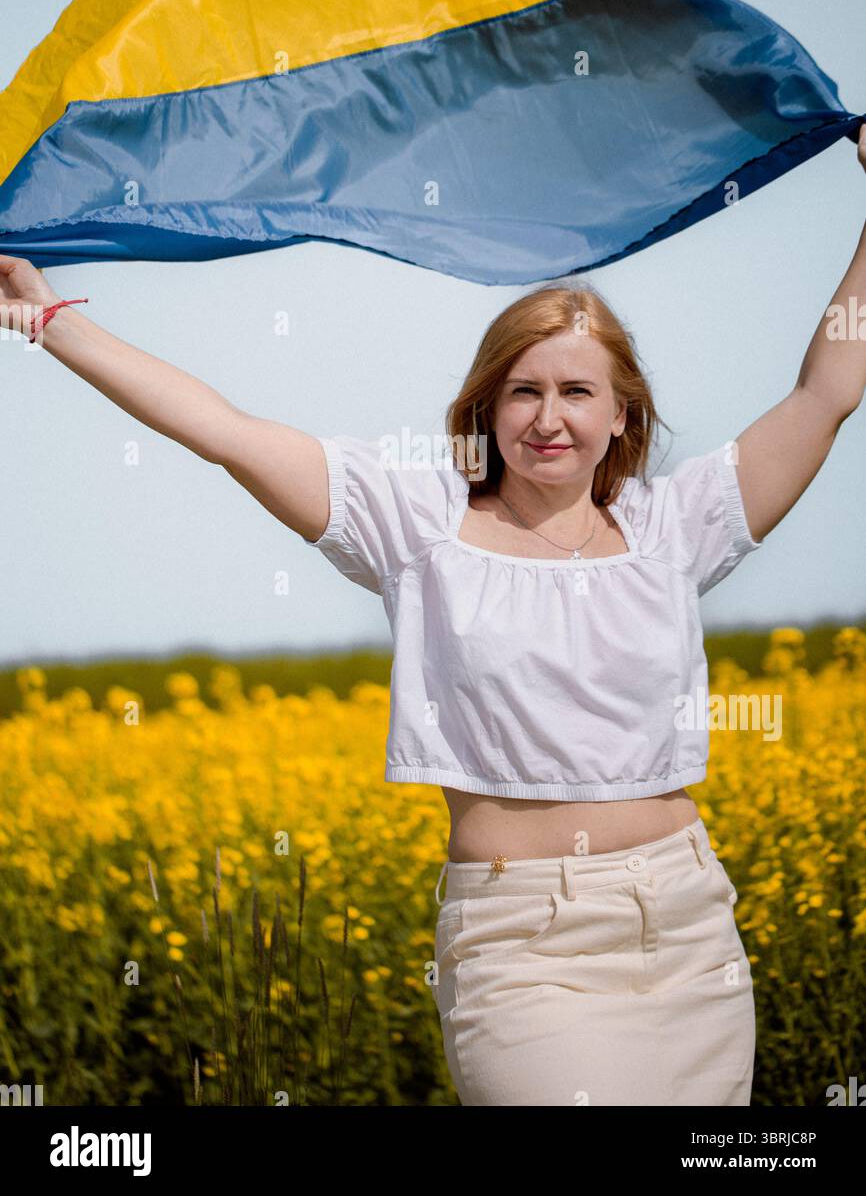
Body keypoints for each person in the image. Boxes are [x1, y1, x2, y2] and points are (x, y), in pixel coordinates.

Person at [1, 132, 864, 1104]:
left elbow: (824, 394)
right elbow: (226, 433)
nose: (548, 417)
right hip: (520, 951)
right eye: (522, 390)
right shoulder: (413, 521)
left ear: (621, 413)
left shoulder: (674, 525)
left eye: (576, 391)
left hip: (684, 929)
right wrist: (48, 320)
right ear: (484, 409)